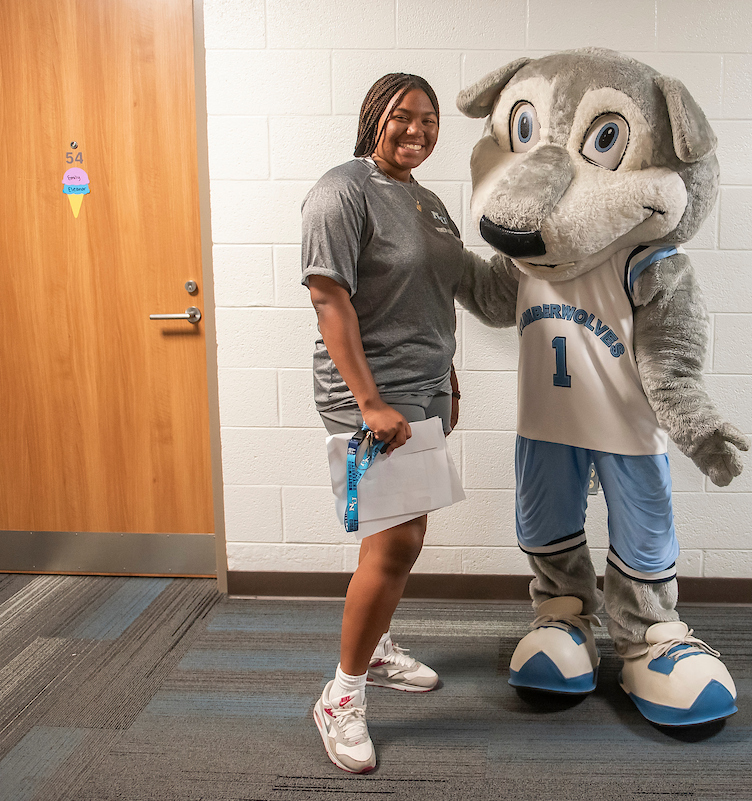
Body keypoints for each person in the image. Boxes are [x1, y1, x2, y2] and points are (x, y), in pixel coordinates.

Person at [302, 73, 467, 774]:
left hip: (421, 391)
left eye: (429, 120)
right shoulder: (342, 190)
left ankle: (374, 643)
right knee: (398, 543)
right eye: (404, 116)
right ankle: (342, 694)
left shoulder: (426, 201)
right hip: (370, 394)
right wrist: (370, 400)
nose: (418, 130)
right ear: (374, 116)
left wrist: (448, 376)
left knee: (397, 534)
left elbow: (432, 296)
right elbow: (328, 296)